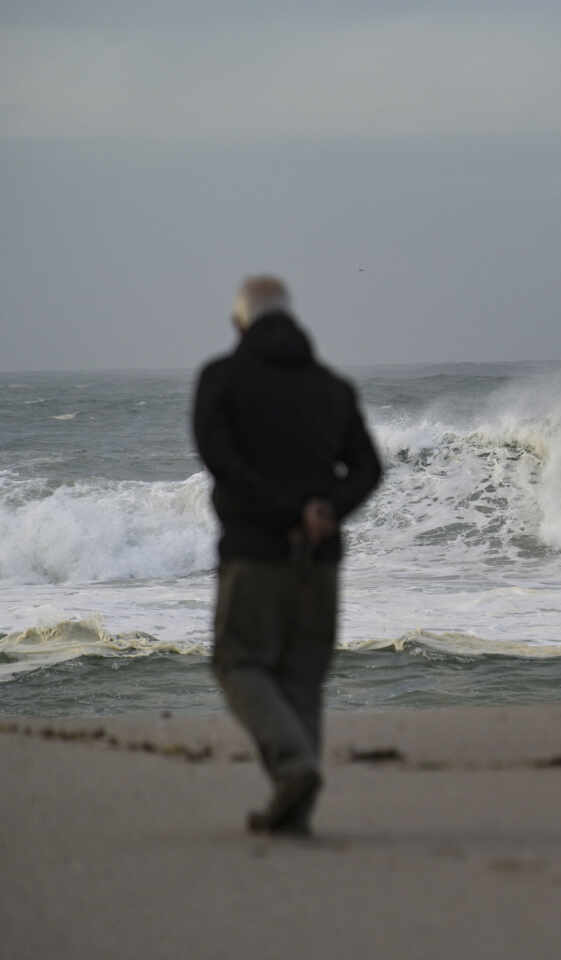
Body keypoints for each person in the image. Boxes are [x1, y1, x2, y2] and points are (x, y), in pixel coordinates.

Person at [192, 275, 382, 835]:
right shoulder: (332, 387)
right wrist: (326, 509)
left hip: (255, 554)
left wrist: (284, 511)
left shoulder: (222, 380)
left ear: (239, 322)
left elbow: (221, 460)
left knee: (237, 662)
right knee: (302, 678)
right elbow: (369, 469)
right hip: (319, 562)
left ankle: (295, 769)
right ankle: (294, 810)